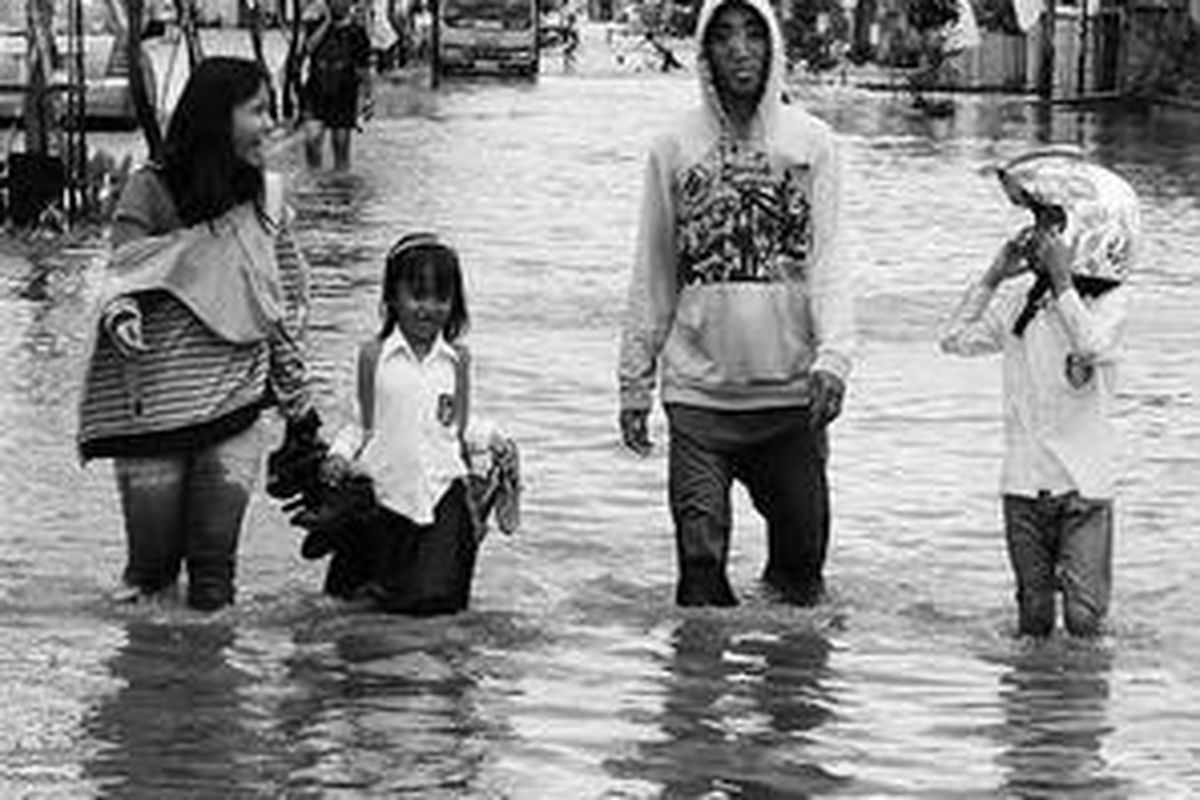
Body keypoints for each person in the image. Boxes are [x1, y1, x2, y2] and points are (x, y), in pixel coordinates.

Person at [617, 0, 855, 608]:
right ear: (705, 52)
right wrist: (634, 382)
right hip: (698, 399)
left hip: (789, 400)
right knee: (699, 574)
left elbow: (829, 262)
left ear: (773, 44)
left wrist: (835, 358)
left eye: (753, 33)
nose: (740, 48)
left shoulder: (812, 144)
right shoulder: (674, 147)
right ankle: (694, 693)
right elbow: (654, 267)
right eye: (723, 36)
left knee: (800, 578)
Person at [77, 57, 319, 612]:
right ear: (218, 116)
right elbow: (121, 274)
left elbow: (280, 308)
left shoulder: (268, 199)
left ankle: (211, 695)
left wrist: (299, 406)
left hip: (235, 408)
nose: (268, 123)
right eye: (257, 109)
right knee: (151, 574)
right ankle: (148, 689)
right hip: (155, 410)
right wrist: (123, 315)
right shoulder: (151, 191)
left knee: (214, 578)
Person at [939, 148, 1141, 638]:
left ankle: (1078, 707)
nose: (1037, 235)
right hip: (1024, 485)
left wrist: (1064, 281)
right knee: (1032, 619)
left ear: (1087, 227)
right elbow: (955, 339)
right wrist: (992, 276)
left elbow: (1090, 346)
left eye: (1049, 222)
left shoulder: (1109, 306)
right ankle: (1032, 710)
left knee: (1083, 620)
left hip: (1083, 490)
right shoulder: (1019, 303)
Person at [313, 233, 520, 615]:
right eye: (418, 296)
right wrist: (339, 456)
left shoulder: (457, 360)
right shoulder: (372, 357)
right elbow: (359, 424)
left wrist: (494, 438)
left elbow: (456, 425)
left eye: (441, 298)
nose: (429, 308)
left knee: (438, 608)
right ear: (393, 296)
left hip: (442, 496)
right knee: (363, 605)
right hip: (382, 497)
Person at [300, 0, 373, 170]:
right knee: (312, 138)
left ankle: (340, 188)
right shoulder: (315, 24)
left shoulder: (357, 33)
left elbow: (363, 70)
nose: (337, 3)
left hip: (344, 93)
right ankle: (313, 178)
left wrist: (368, 97)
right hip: (316, 90)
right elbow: (308, 48)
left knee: (340, 145)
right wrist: (326, 23)